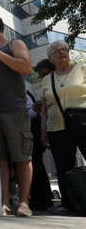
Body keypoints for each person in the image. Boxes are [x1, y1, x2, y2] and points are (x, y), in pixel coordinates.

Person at [0, 15, 33, 217]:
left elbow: (26, 67)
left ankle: (24, 202)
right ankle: (5, 201)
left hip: (15, 110)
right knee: (0, 160)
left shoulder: (14, 44)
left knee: (22, 157)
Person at [40, 40, 86, 214]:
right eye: (57, 50)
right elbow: (44, 108)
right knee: (63, 167)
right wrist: (43, 132)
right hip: (56, 127)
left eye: (65, 49)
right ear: (50, 58)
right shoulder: (46, 80)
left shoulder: (82, 69)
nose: (62, 52)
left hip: (82, 122)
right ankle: (69, 204)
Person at [27, 90, 53, 210]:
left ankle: (43, 199)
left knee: (36, 167)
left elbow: (32, 114)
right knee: (35, 167)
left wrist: (33, 111)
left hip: (33, 134)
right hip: (30, 134)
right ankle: (39, 198)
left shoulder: (27, 92)